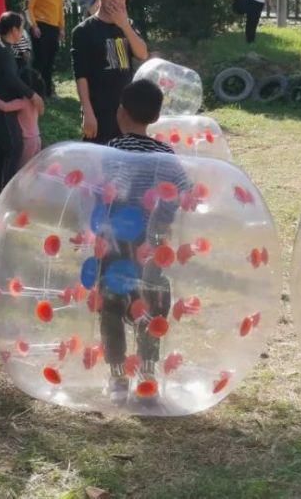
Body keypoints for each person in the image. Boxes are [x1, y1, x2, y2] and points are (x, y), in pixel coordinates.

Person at [102, 80, 190, 402]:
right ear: (154, 116)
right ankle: (148, 374)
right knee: (152, 303)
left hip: (115, 243)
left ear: (121, 113)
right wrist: (162, 222)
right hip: (153, 243)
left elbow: (105, 192)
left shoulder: (111, 149)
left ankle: (117, 379)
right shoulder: (165, 154)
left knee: (112, 304)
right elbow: (182, 188)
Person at [70, 0, 149, 144]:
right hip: (99, 111)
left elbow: (142, 53)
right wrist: (87, 112)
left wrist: (125, 25)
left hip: (127, 111)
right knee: (99, 164)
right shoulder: (83, 31)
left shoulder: (127, 24)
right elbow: (80, 76)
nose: (117, 1)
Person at [0, 12, 45, 200]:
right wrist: (32, 94)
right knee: (14, 147)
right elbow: (11, 79)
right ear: (13, 30)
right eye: (22, 28)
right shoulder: (3, 51)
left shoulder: (1, 48)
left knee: (3, 149)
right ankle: (8, 196)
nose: (23, 32)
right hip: (1, 109)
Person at [0, 63, 44, 168]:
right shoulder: (37, 102)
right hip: (37, 139)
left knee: (22, 168)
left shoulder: (22, 102)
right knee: (33, 168)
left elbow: (5, 107)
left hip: (27, 141)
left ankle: (21, 185)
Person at [27, 0, 65, 97]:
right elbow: (28, 7)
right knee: (40, 60)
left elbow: (60, 7)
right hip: (40, 26)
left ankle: (48, 92)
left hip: (53, 27)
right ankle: (35, 92)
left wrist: (61, 27)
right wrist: (34, 26)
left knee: (50, 61)